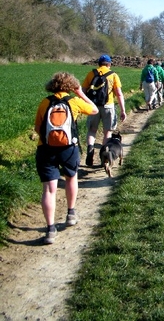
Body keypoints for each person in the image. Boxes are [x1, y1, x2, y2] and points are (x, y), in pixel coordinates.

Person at [34, 72, 98, 244]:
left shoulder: (45, 102)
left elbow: (37, 127)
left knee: (49, 189)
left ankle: (50, 229)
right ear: (71, 86)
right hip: (69, 148)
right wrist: (80, 93)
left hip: (45, 149)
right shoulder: (74, 102)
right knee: (71, 178)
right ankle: (70, 213)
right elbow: (94, 109)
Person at [82, 55, 127, 167]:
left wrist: (84, 106)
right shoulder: (113, 75)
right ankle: (104, 156)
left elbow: (83, 91)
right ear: (109, 64)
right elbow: (119, 94)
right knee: (108, 132)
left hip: (93, 107)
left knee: (92, 130)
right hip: (108, 106)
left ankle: (90, 149)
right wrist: (123, 110)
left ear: (99, 63)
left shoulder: (91, 74)